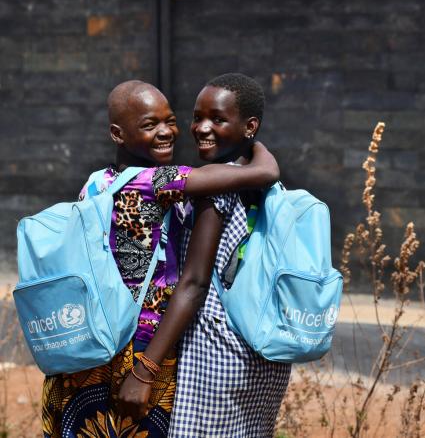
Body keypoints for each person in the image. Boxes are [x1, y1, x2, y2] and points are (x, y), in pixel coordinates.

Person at [41, 80, 279, 437]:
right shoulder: (156, 182)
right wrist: (252, 141)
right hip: (134, 355)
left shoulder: (96, 183)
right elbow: (265, 173)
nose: (167, 132)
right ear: (118, 134)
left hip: (85, 345)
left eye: (170, 121)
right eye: (150, 125)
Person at [168, 74, 292, 437]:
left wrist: (145, 369)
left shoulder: (216, 185)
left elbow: (193, 284)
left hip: (212, 353)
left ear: (249, 126)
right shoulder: (270, 185)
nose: (201, 128)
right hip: (261, 355)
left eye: (217, 119)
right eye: (197, 117)